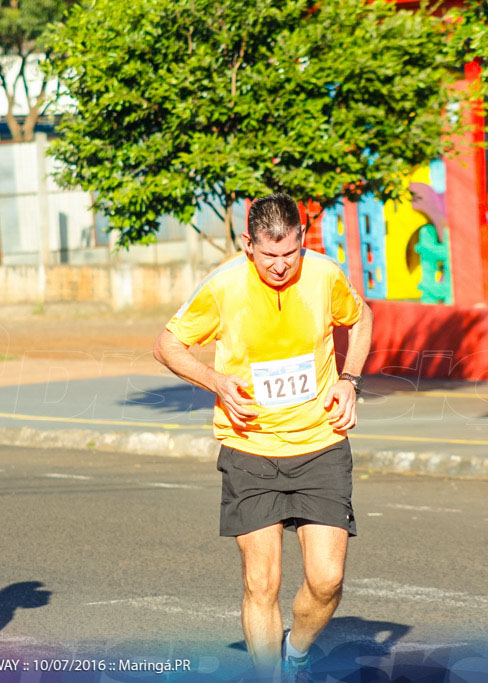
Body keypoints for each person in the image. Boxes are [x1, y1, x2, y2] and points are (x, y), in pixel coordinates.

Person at [154, 193, 373, 680]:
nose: (279, 265)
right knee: (261, 582)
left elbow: (361, 319)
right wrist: (216, 381)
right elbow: (167, 345)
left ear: (302, 240)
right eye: (268, 255)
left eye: (289, 253)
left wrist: (349, 379)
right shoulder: (224, 284)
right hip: (250, 448)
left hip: (320, 444)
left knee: (327, 579)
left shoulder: (324, 275)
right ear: (249, 244)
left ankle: (296, 651)